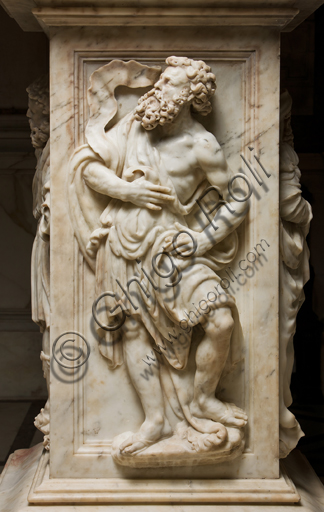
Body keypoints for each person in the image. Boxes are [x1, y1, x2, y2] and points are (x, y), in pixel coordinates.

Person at [69, 57, 248, 456]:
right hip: (123, 243)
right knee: (132, 329)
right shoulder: (135, 127)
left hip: (171, 249)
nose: (159, 87)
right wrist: (126, 191)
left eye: (169, 83)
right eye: (161, 79)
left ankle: (203, 399)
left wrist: (202, 240)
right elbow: (88, 170)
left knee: (220, 320)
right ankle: (154, 422)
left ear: (190, 96)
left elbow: (238, 199)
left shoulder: (201, 146)